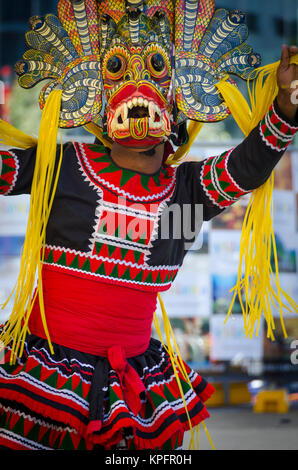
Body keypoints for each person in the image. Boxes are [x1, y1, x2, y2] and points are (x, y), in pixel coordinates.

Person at [0, 0, 297, 451]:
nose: (138, 90)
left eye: (156, 70)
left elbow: (248, 166)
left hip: (133, 382)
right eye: (118, 70)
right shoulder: (61, 167)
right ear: (97, 95)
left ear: (179, 98)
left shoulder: (186, 192)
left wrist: (286, 105)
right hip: (45, 372)